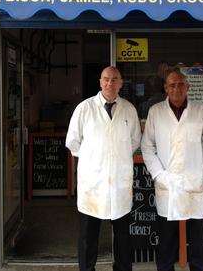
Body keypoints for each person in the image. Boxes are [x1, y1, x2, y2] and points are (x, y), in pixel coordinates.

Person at [141, 69, 203, 271]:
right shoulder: (156, 112)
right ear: (165, 88)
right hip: (167, 182)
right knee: (166, 238)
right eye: (172, 85)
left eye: (180, 84)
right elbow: (147, 146)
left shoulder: (200, 110)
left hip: (193, 179)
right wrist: (159, 175)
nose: (176, 88)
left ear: (188, 87)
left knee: (196, 238)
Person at [66, 66, 141, 271]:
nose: (110, 83)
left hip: (119, 182)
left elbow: (134, 142)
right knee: (88, 236)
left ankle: (123, 268)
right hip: (93, 183)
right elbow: (73, 142)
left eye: (114, 79)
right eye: (106, 79)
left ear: (121, 83)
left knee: (123, 236)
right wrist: (95, 159)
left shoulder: (129, 110)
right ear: (100, 82)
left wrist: (115, 157)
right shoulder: (85, 108)